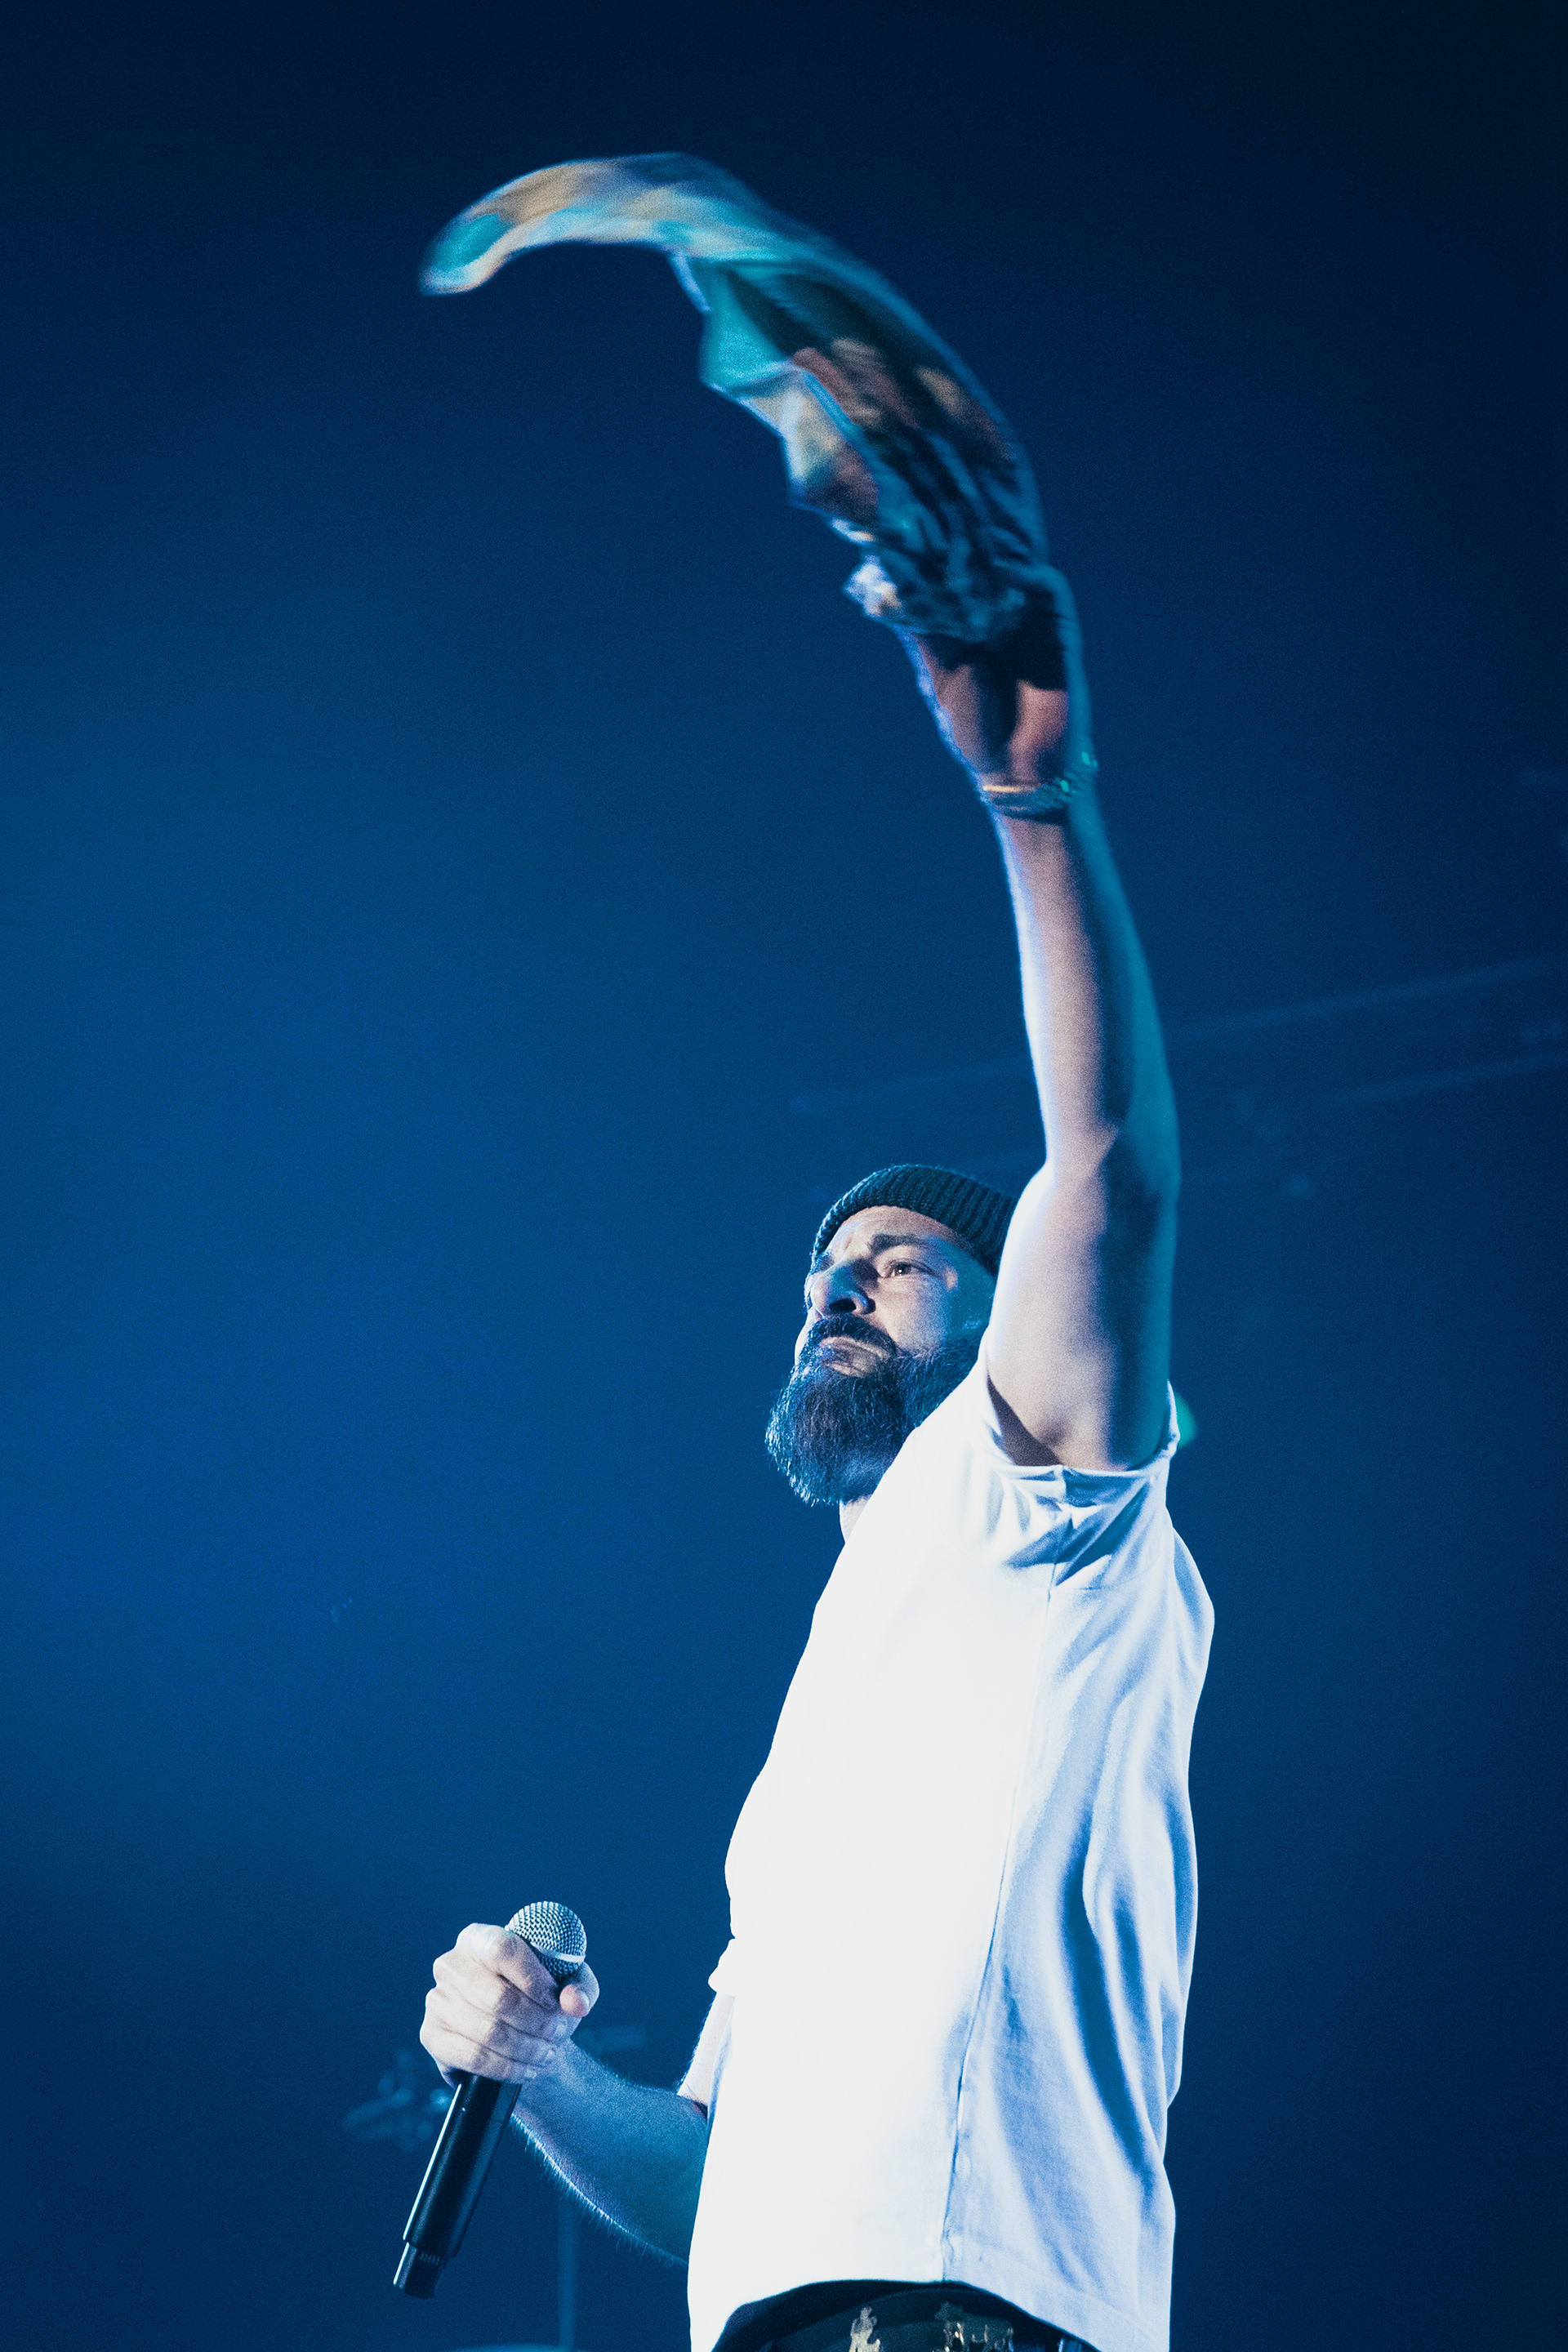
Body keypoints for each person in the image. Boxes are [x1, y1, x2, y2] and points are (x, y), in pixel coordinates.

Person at [419, 568, 1213, 2352]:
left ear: (1015, 1316)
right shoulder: (827, 1720)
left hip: (969, 2320)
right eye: (817, 1275)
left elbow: (1111, 1167)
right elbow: (712, 2186)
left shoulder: (1032, 1498)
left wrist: (1033, 798)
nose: (834, 1288)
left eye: (898, 1263)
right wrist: (541, 2070)